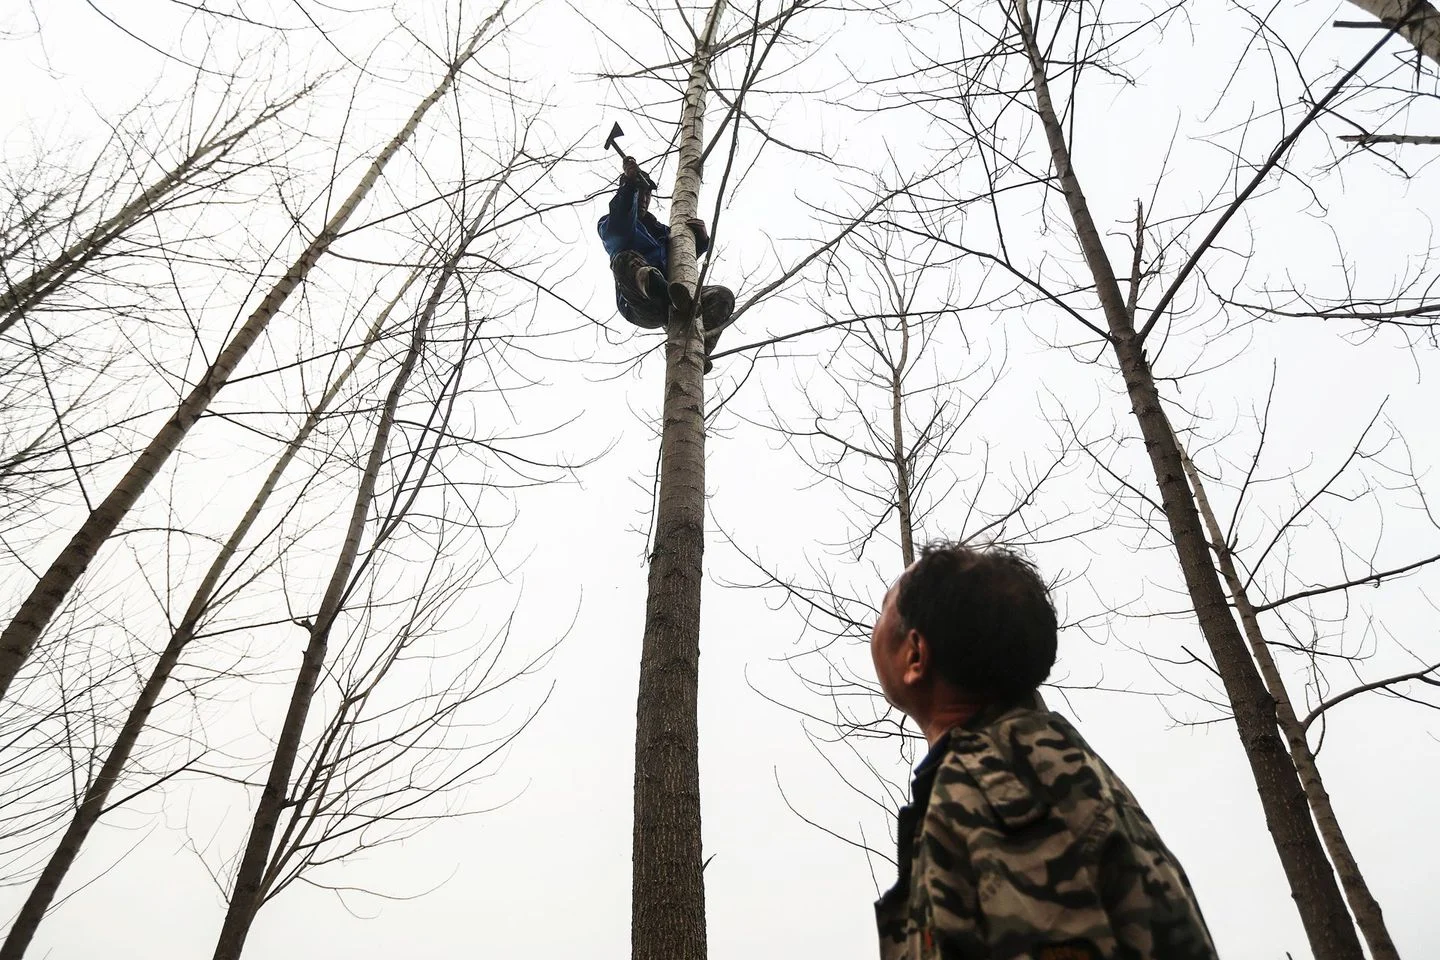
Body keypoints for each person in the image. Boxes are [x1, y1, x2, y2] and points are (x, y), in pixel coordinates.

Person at [870, 542, 1218, 960]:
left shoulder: (997, 786)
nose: (872, 626)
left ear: (915, 655)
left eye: (882, 609)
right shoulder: (1039, 761)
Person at [597, 156, 734, 374]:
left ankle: (700, 351)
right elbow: (620, 228)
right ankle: (665, 292)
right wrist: (629, 185)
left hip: (675, 299)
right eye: (639, 192)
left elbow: (677, 260)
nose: (644, 198)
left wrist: (700, 241)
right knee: (624, 260)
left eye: (647, 193)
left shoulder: (661, 232)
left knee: (722, 295)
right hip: (642, 303)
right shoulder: (611, 223)